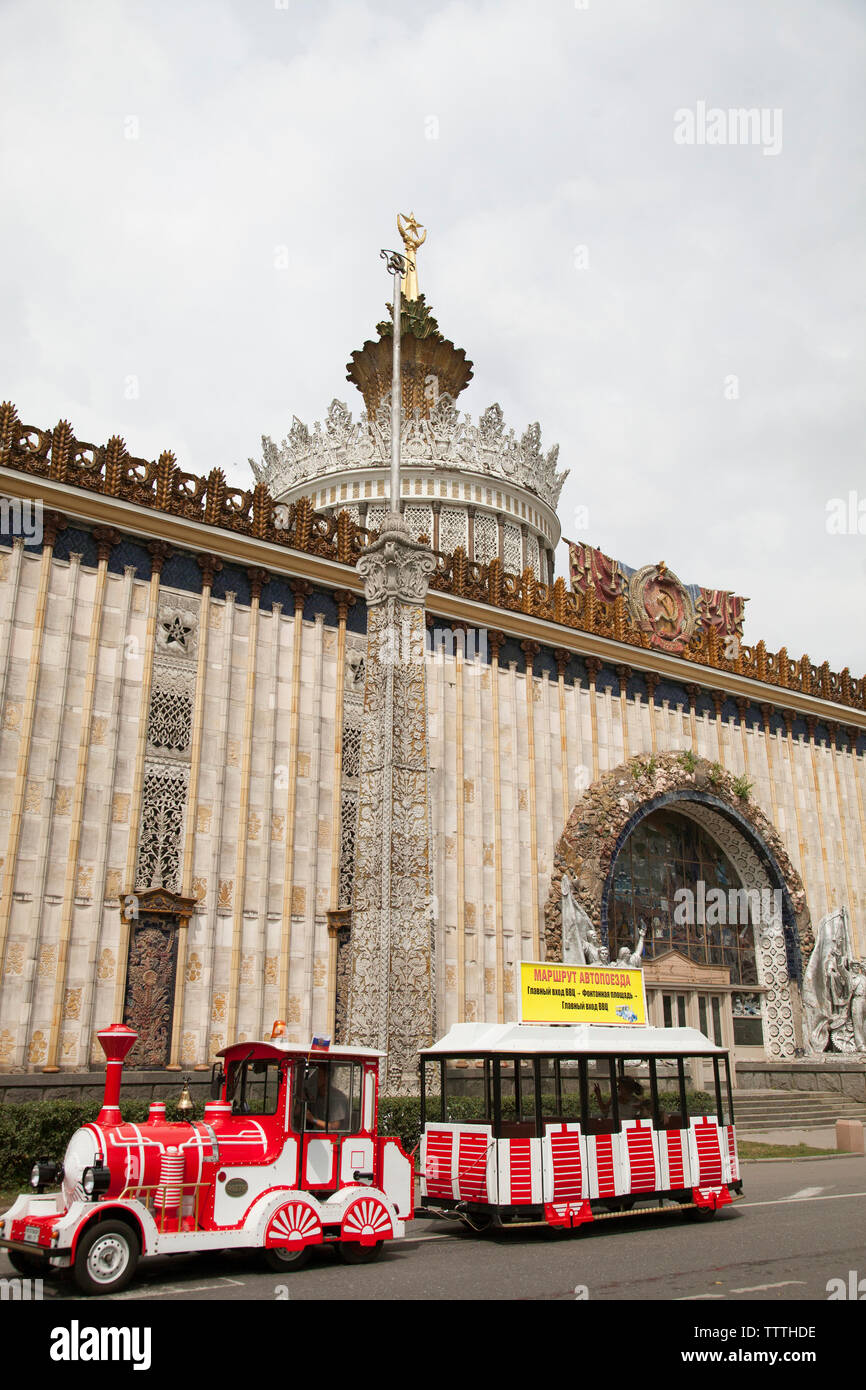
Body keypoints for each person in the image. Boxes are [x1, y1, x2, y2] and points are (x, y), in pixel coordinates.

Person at [304, 1066, 349, 1132]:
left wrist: (312, 1119)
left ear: (326, 1078)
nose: (313, 1079)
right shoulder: (314, 1095)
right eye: (312, 1076)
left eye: (318, 1076)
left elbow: (334, 1127)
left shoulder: (337, 1098)